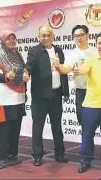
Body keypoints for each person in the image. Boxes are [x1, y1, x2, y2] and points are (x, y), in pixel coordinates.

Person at [55, 31, 101, 172]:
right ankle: (85, 160)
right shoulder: (91, 59)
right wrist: (63, 68)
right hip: (91, 104)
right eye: (99, 43)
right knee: (87, 135)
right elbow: (80, 69)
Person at [25, 25, 69, 166]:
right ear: (39, 37)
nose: (46, 37)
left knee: (57, 126)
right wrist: (26, 72)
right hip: (40, 97)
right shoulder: (34, 51)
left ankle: (60, 153)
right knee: (38, 126)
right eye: (43, 35)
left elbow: (63, 71)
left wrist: (65, 91)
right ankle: (38, 155)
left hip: (56, 94)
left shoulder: (59, 51)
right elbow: (29, 65)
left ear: (53, 36)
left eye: (48, 35)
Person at [0, 30, 30, 167]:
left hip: (18, 98)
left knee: (16, 128)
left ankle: (12, 154)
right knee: (3, 128)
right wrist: (7, 76)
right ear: (3, 40)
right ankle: (0, 155)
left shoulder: (18, 55)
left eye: (13, 39)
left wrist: (26, 77)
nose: (11, 41)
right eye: (8, 39)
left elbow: (23, 73)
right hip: (3, 99)